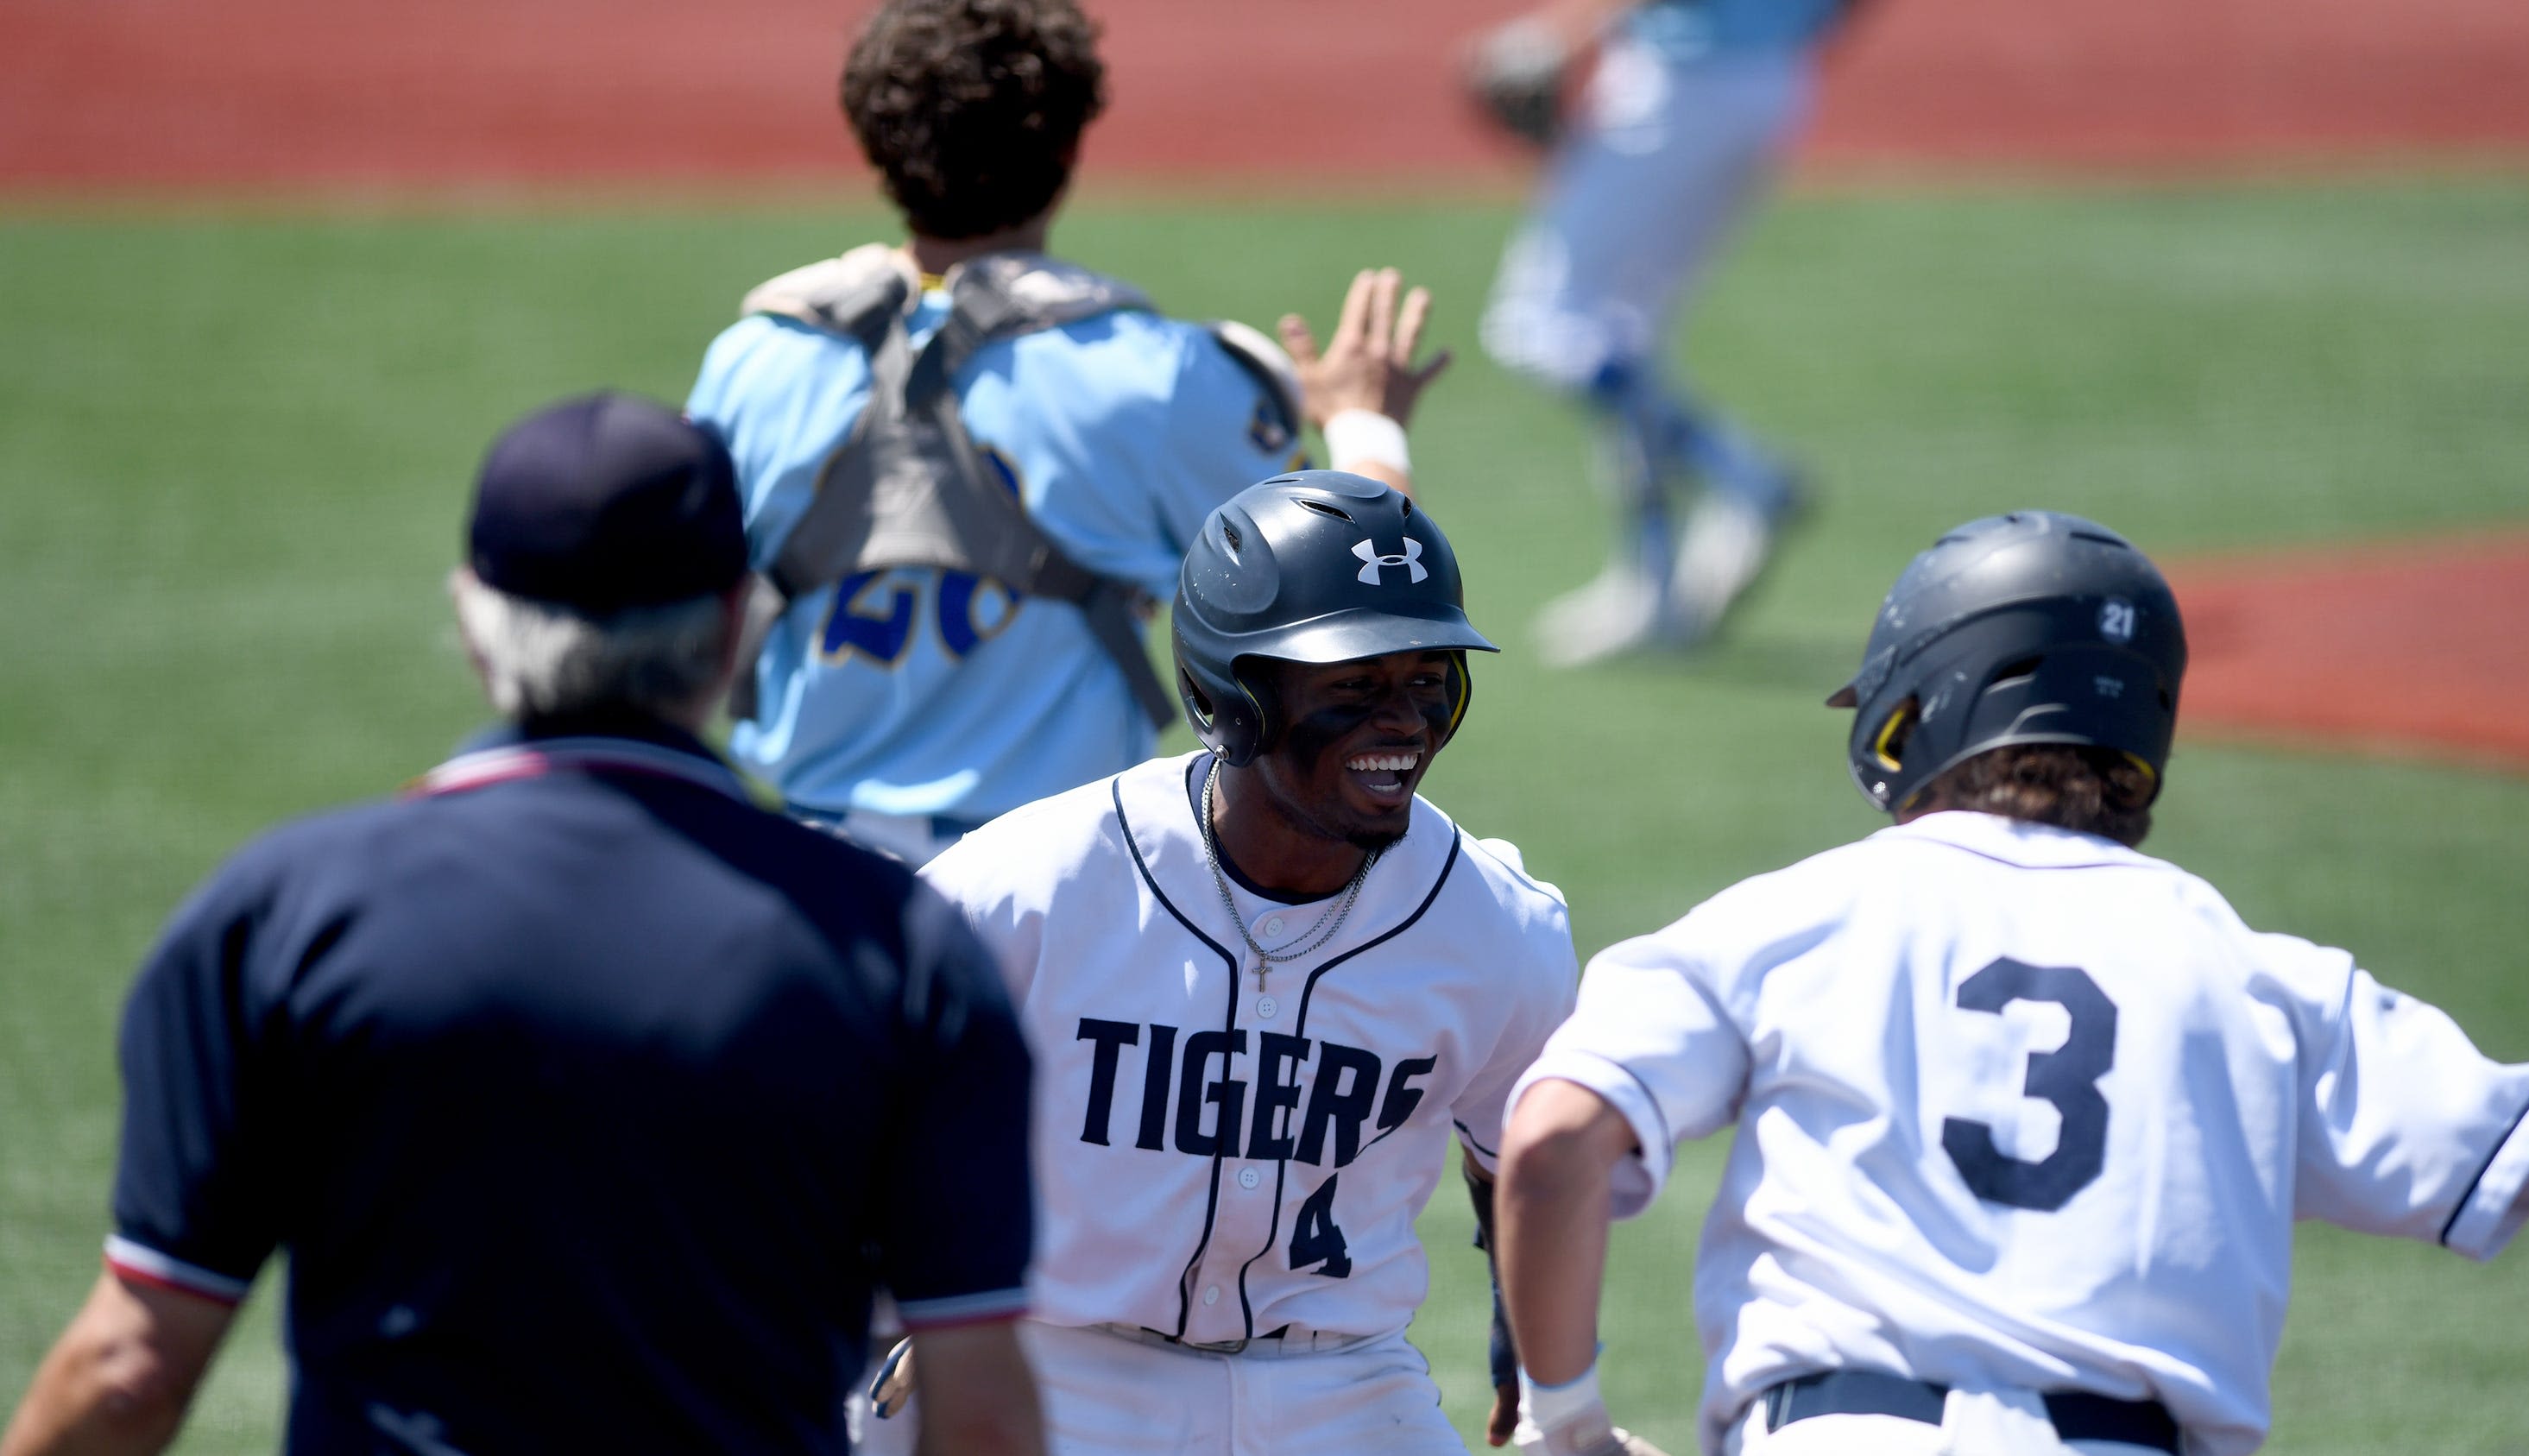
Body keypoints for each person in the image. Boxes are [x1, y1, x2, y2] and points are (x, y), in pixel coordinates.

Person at [0, 394, 1045, 1456]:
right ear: (735, 625)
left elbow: (129, 1373)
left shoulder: (284, 915)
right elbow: (980, 1413)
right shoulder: (894, 948)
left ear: (473, 621)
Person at [1488, 510, 2529, 1456]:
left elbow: (1548, 1142)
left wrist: (1567, 1417)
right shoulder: (2257, 976)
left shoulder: (1784, 921)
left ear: (1912, 713)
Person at [872, 470, 1580, 1454]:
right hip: (1060, 1364)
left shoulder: (1495, 928)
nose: (1407, 722)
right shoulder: (1027, 888)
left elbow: (1532, 1150)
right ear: (1226, 698)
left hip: (1339, 1382)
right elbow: (847, 1109)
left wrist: (1530, 1330)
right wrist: (929, 1308)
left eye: (1428, 680)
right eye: (1355, 687)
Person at [690, 0, 1451, 862]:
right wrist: (1365, 421)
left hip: (803, 868)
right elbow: (1364, 595)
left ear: (877, 142)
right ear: (1066, 144)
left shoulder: (754, 358)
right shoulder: (1157, 376)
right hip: (1044, 891)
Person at [1465, 0, 1862, 666]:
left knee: (1539, 322)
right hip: (1770, 81)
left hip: (1681, 84)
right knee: (1621, 340)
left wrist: (1553, 35)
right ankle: (1650, 584)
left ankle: (1744, 477)